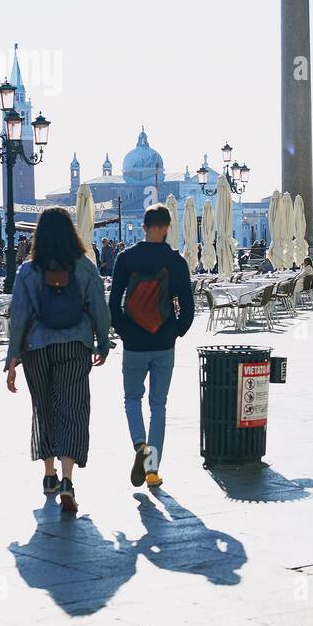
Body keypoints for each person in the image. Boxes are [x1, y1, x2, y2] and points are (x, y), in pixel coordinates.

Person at [4, 205, 111, 513]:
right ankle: (67, 479)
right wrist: (102, 342)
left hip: (36, 349)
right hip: (74, 346)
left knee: (44, 408)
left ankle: (48, 475)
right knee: (72, 409)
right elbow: (99, 308)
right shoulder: (83, 266)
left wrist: (12, 358)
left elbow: (19, 317)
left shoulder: (27, 270)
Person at [109, 204, 194, 490]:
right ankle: (153, 470)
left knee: (132, 398)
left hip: (134, 342)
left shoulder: (126, 258)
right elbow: (189, 306)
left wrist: (124, 330)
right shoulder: (176, 262)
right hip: (163, 342)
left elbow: (113, 302)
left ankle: (139, 444)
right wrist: (175, 332)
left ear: (144, 227)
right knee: (158, 405)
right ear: (168, 227)